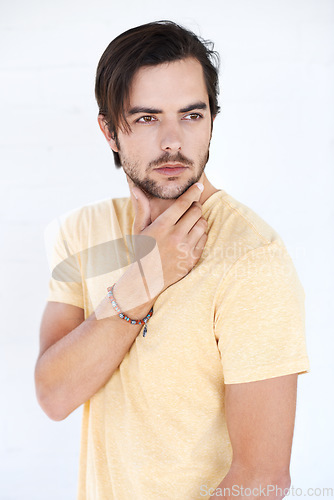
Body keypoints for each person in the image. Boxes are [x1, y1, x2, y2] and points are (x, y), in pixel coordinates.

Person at [35, 20, 310, 500]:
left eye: (191, 115)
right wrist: (144, 279)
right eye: (146, 118)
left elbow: (263, 477)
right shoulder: (80, 233)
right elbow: (54, 396)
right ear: (109, 130)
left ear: (211, 121)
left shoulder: (252, 259)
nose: (172, 141)